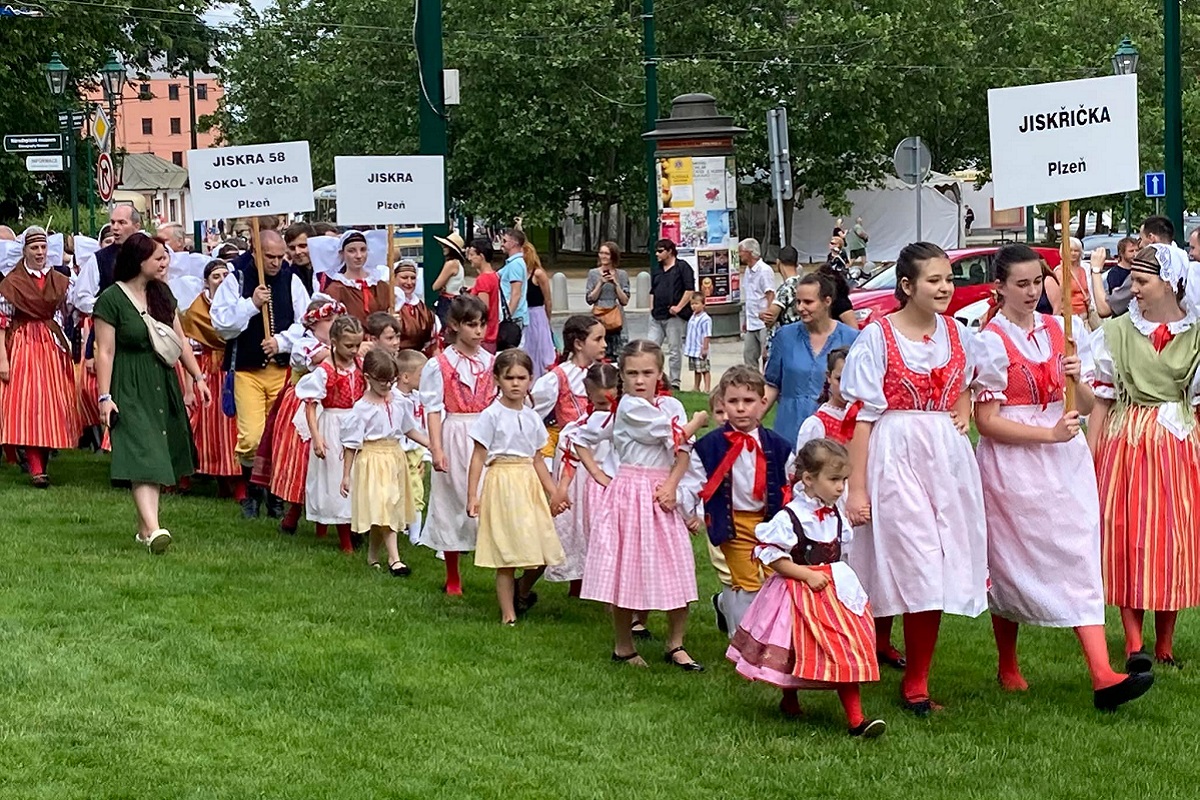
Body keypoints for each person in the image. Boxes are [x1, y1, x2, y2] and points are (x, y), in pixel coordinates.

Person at [973, 243, 1153, 710]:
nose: (1033, 292)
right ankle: (1008, 662)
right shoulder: (990, 340)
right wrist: (1047, 434)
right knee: (1009, 559)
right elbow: (986, 420)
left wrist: (1075, 379)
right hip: (1015, 460)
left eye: (1038, 282)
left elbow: (1090, 405)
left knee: (1077, 552)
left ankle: (1102, 674)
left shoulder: (1061, 329)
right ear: (1001, 287)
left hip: (1064, 457)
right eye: (1022, 284)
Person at [842, 242, 987, 716]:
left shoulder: (959, 333)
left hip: (944, 458)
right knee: (912, 559)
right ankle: (894, 671)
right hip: (894, 453)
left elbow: (973, 381)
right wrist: (857, 487)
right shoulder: (878, 337)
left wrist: (961, 408)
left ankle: (917, 677)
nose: (945, 287)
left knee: (937, 564)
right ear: (907, 286)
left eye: (948, 278)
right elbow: (861, 417)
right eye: (934, 280)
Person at [726, 439, 885, 738]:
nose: (841, 488)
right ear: (809, 479)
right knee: (795, 648)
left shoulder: (835, 513)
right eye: (834, 480)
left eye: (844, 481)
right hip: (798, 591)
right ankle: (790, 700)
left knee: (845, 648)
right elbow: (771, 555)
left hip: (834, 591)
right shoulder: (791, 517)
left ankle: (857, 719)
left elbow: (840, 550)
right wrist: (804, 574)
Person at [1091, 243, 1200, 671]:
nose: (1132, 289)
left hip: (1176, 442)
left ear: (1170, 283)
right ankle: (1134, 642)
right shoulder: (1117, 333)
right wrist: (1092, 455)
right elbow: (1100, 400)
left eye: (1141, 281)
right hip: (1129, 437)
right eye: (1133, 280)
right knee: (1129, 535)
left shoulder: (1195, 336)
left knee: (1171, 538)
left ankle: (1165, 643)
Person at [576, 340, 709, 670]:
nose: (639, 380)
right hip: (632, 490)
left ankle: (675, 643)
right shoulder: (628, 407)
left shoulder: (671, 406)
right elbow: (678, 435)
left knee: (676, 565)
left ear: (659, 373)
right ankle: (624, 645)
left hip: (662, 489)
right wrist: (701, 418)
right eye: (632, 373)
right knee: (628, 569)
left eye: (647, 373)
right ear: (621, 376)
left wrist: (673, 487)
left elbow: (682, 452)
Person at [93, 232, 212, 552]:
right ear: (139, 260)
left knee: (156, 452)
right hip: (129, 383)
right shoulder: (111, 300)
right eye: (159, 257)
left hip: (162, 378)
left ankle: (146, 529)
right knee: (142, 450)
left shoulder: (163, 294)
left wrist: (197, 377)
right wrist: (105, 396)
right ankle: (155, 528)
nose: (165, 263)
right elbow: (104, 351)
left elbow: (180, 340)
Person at [211, 228, 309, 518]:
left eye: (281, 256)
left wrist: (281, 341)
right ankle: (252, 493)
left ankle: (276, 496)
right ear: (255, 251)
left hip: (281, 371)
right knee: (252, 437)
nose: (277, 262)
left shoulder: (291, 280)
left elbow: (305, 322)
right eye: (270, 257)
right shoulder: (236, 278)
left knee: (279, 436)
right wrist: (251, 305)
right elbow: (222, 324)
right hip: (246, 370)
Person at [692, 366, 795, 633]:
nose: (740, 408)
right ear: (723, 404)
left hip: (770, 521)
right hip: (733, 523)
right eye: (733, 401)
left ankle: (773, 636)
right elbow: (694, 480)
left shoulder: (779, 446)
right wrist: (690, 511)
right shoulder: (709, 446)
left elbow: (791, 483)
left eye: (748, 401)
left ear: (763, 403)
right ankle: (742, 641)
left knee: (776, 577)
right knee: (745, 583)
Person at [467, 349, 566, 624]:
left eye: (521, 377)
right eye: (509, 377)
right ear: (497, 379)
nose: (515, 383)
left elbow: (537, 459)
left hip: (528, 484)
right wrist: (472, 495)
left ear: (530, 380)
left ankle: (522, 592)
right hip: (501, 481)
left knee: (543, 545)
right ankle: (508, 613)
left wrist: (553, 491)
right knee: (507, 551)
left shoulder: (533, 417)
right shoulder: (491, 415)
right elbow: (478, 457)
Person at [419, 294, 497, 596]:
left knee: (487, 497)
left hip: (484, 432)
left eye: (482, 325)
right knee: (451, 500)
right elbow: (433, 408)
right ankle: (453, 574)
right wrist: (436, 448)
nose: (478, 332)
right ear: (455, 325)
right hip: (455, 431)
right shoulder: (439, 365)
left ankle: (497, 562)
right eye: (471, 325)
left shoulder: (490, 362)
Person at [0, 226, 82, 487]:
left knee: (51, 404)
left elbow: (72, 310)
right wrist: (3, 358)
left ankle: (41, 464)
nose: (39, 252)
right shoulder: (11, 281)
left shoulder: (60, 280)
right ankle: (36, 468)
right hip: (23, 342)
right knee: (28, 404)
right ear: (24, 250)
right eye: (34, 247)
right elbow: (3, 321)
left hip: (52, 343)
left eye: (43, 247)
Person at [342, 347, 430, 576]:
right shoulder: (362, 409)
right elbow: (351, 443)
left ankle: (373, 556)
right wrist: (345, 475)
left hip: (394, 458)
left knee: (386, 509)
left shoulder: (398, 402)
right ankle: (395, 559)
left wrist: (432, 445)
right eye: (381, 382)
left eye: (391, 381)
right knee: (384, 507)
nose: (387, 387)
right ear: (368, 378)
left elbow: (409, 427)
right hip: (372, 461)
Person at [545, 362, 619, 597]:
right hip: (585, 487)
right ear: (588, 396)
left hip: (613, 485)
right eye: (600, 404)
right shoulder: (577, 430)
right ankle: (527, 588)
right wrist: (562, 490)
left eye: (611, 403)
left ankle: (610, 595)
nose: (606, 409)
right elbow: (571, 458)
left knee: (611, 541)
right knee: (573, 536)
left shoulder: (624, 425)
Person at [763, 273, 859, 449]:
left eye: (808, 302)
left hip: (833, 436)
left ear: (827, 301)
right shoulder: (785, 336)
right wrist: (750, 420)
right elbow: (772, 384)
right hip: (788, 431)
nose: (800, 308)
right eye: (798, 302)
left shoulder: (852, 338)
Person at [295, 315, 365, 553]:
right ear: (334, 342)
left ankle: (354, 527)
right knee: (335, 479)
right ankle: (342, 536)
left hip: (355, 423)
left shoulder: (361, 366)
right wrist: (316, 437)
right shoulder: (326, 371)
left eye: (357, 345)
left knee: (355, 477)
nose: (354, 350)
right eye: (349, 346)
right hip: (334, 425)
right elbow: (311, 404)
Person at [272, 300, 338, 535]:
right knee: (303, 460)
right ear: (313, 323)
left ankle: (331, 519)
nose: (334, 325)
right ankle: (294, 512)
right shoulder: (304, 345)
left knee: (333, 460)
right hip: (304, 406)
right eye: (328, 321)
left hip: (335, 408)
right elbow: (325, 358)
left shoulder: (339, 345)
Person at [180, 259, 240, 495]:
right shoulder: (196, 310)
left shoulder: (238, 305)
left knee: (232, 428)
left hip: (232, 370)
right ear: (206, 282)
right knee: (203, 427)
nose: (222, 280)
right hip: (206, 371)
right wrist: (188, 387)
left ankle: (234, 479)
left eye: (226, 275)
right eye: (216, 276)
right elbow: (189, 351)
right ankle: (196, 473)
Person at [394, 348, 430, 545]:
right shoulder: (394, 398)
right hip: (396, 451)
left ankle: (415, 535)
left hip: (414, 450)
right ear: (406, 377)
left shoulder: (418, 398)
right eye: (421, 375)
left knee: (416, 490)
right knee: (395, 491)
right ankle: (398, 526)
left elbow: (420, 426)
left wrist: (423, 455)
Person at [648, 239, 694, 390]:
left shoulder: (682, 267)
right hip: (657, 315)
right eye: (656, 251)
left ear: (669, 251)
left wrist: (679, 307)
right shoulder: (657, 269)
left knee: (674, 349)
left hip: (673, 316)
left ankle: (675, 381)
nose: (657, 254)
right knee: (651, 347)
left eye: (660, 251)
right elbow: (653, 290)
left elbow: (689, 289)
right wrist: (651, 307)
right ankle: (654, 378)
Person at [322, 230, 393, 324]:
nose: (359, 256)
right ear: (342, 253)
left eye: (363, 250)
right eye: (351, 251)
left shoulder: (381, 286)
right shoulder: (336, 289)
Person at [794, 347, 854, 451]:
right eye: (839, 379)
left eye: (853, 379)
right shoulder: (817, 425)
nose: (845, 387)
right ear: (829, 377)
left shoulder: (866, 417)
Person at [585, 242, 631, 359]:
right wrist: (600, 283)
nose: (603, 256)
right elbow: (590, 299)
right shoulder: (593, 273)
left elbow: (624, 301)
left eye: (607, 253)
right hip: (599, 313)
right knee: (600, 351)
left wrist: (616, 284)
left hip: (616, 314)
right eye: (601, 253)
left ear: (613, 256)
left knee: (618, 353)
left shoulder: (622, 274)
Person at [738, 238, 775, 368]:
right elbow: (749, 297)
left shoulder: (764, 270)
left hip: (763, 322)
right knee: (749, 355)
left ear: (749, 252)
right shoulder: (748, 270)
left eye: (741, 252)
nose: (739, 255)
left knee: (767, 355)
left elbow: (770, 293)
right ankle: (753, 382)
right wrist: (745, 320)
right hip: (751, 321)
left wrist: (770, 316)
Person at [521, 241, 556, 379]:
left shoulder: (538, 274)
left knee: (540, 346)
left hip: (537, 313)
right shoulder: (520, 274)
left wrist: (547, 318)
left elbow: (547, 299)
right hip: (525, 313)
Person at [393, 260, 436, 352]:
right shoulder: (388, 304)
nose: (409, 282)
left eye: (413, 278)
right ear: (393, 278)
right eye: (404, 277)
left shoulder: (422, 308)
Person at [1090, 236, 1137, 319]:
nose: (1135, 254)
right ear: (1122, 253)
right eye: (1131, 251)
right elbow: (1113, 299)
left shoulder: (1136, 271)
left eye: (1137, 250)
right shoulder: (1115, 273)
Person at [466, 239, 501, 353]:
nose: (469, 258)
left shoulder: (483, 279)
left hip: (483, 337)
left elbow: (482, 309)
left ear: (481, 256)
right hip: (492, 333)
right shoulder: (494, 275)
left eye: (472, 255)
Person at [1047, 237, 1091, 319]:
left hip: (1084, 314)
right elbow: (1057, 296)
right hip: (1068, 316)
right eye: (1070, 250)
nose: (1073, 253)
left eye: (1076, 250)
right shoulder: (1059, 271)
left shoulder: (1083, 270)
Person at [431, 232, 467, 325]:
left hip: (447, 302)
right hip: (456, 300)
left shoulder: (451, 264)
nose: (443, 247)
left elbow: (435, 286)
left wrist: (442, 286)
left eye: (446, 246)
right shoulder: (458, 263)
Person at [498, 229, 528, 334]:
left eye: (505, 241)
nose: (502, 244)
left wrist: (508, 316)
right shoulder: (513, 263)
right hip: (515, 316)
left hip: (515, 317)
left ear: (514, 243)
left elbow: (516, 293)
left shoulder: (516, 264)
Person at [684, 294, 712, 393]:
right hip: (693, 348)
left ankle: (707, 388)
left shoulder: (705, 319)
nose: (693, 306)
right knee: (697, 369)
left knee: (704, 369)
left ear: (703, 304)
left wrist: (705, 348)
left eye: (696, 303)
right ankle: (696, 387)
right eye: (692, 304)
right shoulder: (693, 317)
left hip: (700, 349)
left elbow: (707, 334)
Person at [283, 221, 316, 294]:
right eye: (292, 248)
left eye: (302, 246)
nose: (297, 252)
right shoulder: (287, 276)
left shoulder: (327, 273)